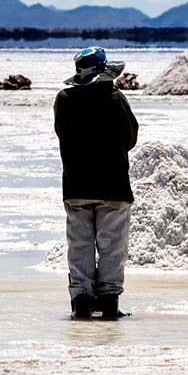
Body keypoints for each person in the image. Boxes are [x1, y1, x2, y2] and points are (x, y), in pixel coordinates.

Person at [53, 46, 139, 320]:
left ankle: (81, 302)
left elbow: (61, 133)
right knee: (113, 246)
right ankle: (110, 303)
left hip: (76, 186)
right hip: (113, 186)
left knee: (79, 245)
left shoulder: (64, 99)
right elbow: (131, 139)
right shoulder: (115, 99)